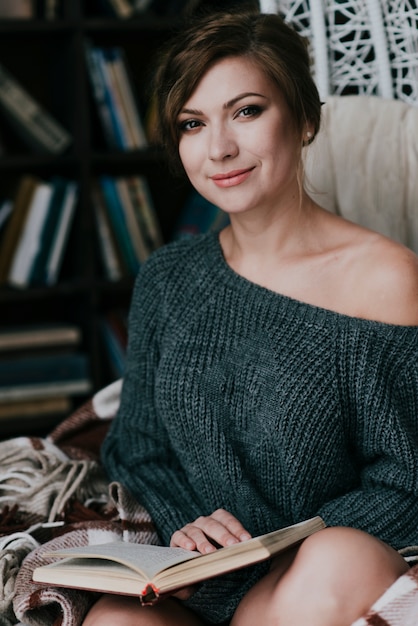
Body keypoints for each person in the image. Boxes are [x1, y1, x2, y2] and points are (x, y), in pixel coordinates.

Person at [82, 9, 418, 626]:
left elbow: (409, 481)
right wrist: (191, 530)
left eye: (246, 111)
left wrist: (273, 549)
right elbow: (139, 449)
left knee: (335, 560)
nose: (220, 149)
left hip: (317, 577)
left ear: (305, 118)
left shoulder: (386, 279)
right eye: (192, 123)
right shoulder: (168, 277)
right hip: (201, 576)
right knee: (112, 621)